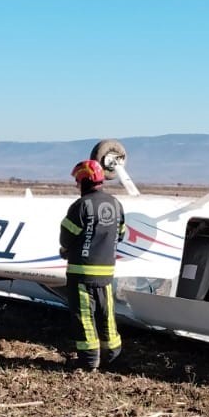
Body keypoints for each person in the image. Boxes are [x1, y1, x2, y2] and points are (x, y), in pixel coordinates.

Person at [59, 157, 126, 370]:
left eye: (78, 182)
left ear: (85, 181)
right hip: (106, 273)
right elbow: (121, 233)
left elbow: (66, 237)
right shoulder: (116, 204)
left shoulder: (81, 206)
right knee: (107, 316)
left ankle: (89, 361)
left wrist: (67, 249)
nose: (77, 186)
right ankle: (112, 355)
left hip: (81, 273)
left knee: (85, 317)